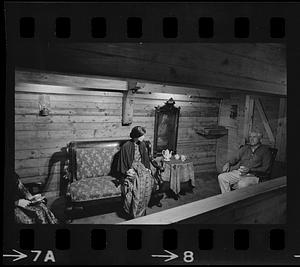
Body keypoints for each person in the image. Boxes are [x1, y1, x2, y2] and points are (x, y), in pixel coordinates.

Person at [117, 126, 160, 219]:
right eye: (142, 135)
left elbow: (145, 159)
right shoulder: (126, 146)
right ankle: (134, 212)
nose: (143, 137)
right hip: (131, 167)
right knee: (137, 182)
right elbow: (122, 161)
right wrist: (127, 171)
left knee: (148, 179)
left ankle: (142, 209)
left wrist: (148, 168)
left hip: (140, 166)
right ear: (136, 136)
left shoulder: (142, 144)